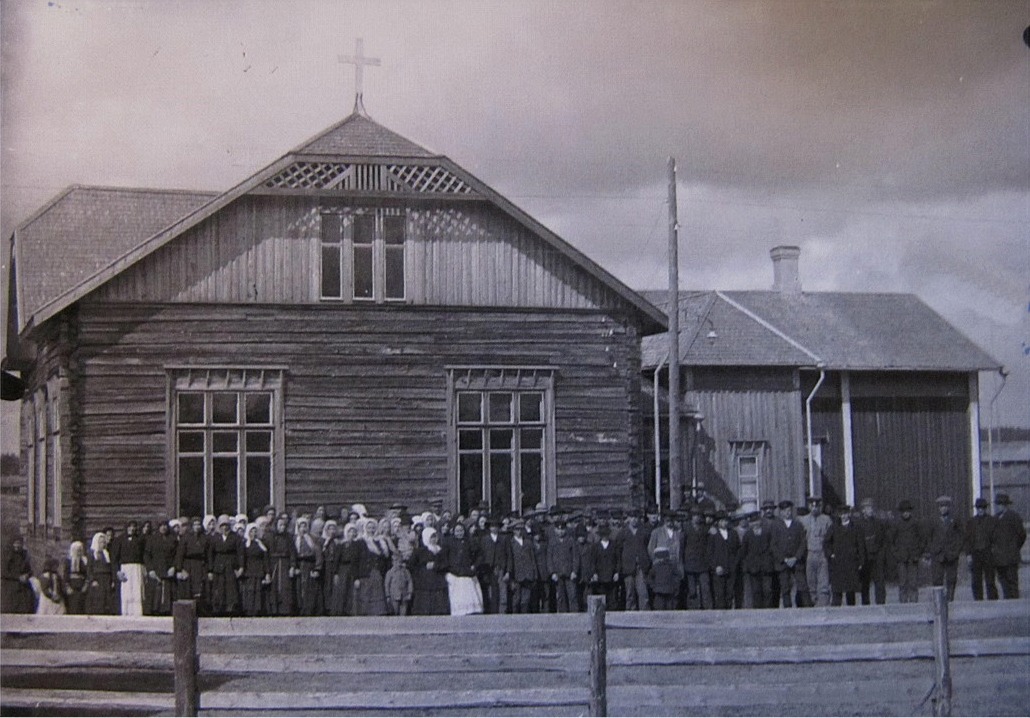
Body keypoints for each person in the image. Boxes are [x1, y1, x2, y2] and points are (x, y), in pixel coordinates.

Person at [769, 500, 810, 607]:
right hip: (783, 563)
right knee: (785, 588)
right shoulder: (776, 525)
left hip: (796, 562)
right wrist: (784, 559)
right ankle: (788, 610)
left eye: (789, 510)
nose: (788, 513)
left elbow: (803, 543)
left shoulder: (798, 525)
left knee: (802, 586)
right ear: (781, 512)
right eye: (785, 511)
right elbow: (773, 545)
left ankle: (806, 609)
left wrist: (796, 557)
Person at [824, 505, 865, 606]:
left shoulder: (855, 527)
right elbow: (826, 542)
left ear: (849, 514)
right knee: (837, 590)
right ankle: (835, 613)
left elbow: (861, 545)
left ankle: (851, 613)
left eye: (845, 514)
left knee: (850, 591)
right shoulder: (834, 527)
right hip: (838, 563)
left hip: (851, 562)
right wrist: (831, 554)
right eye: (841, 514)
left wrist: (861, 561)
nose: (843, 516)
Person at [440, 521, 483, 615]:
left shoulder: (470, 542)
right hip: (455, 575)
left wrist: (474, 566)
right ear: (453, 532)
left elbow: (479, 555)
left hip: (468, 573)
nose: (459, 533)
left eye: (461, 531)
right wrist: (450, 569)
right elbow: (444, 558)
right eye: (457, 531)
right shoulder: (448, 543)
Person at [925, 496, 963, 601]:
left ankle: (950, 600)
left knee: (951, 579)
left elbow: (960, 536)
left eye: (946, 506)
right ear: (938, 508)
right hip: (937, 554)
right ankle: (939, 602)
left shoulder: (954, 519)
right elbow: (929, 536)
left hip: (951, 554)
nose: (943, 509)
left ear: (949, 507)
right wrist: (931, 551)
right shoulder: (933, 520)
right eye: (941, 506)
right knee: (937, 579)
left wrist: (956, 550)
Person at [799, 497, 833, 607]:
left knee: (823, 582)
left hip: (822, 553)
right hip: (809, 553)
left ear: (820, 507)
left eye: (816, 506)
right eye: (812, 506)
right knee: (810, 582)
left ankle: (823, 606)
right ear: (809, 507)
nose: (814, 508)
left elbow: (831, 538)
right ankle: (811, 605)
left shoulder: (826, 519)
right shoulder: (803, 520)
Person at [855, 498, 888, 605]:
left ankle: (881, 604)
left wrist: (881, 554)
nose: (871, 510)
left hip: (877, 556)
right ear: (863, 510)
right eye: (868, 508)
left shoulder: (878, 523)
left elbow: (883, 540)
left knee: (880, 582)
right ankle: (866, 605)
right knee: (865, 583)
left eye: (871, 507)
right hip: (865, 557)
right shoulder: (858, 525)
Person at [993, 494, 1026, 599]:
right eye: (998, 504)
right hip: (999, 557)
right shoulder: (995, 518)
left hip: (1011, 555)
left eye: (1002, 504)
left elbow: (1022, 535)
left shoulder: (1014, 517)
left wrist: (1015, 546)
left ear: (1007, 505)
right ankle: (1007, 600)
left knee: (1012, 580)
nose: (1000, 506)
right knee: (1002, 580)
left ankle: (1015, 602)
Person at [890, 500, 924, 604]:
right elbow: (891, 541)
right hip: (901, 558)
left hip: (913, 558)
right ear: (901, 512)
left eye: (908, 511)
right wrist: (896, 554)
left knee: (913, 583)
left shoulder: (916, 523)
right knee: (902, 583)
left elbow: (922, 539)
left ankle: (914, 604)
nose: (906, 513)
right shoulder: (896, 524)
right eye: (903, 511)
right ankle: (903, 606)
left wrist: (918, 553)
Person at [208, 515, 244, 616]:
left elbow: (240, 553)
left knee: (231, 589)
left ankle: (231, 610)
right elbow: (210, 554)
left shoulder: (235, 537)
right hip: (218, 566)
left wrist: (241, 567)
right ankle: (218, 610)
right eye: (222, 525)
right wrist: (210, 570)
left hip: (231, 566)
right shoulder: (215, 538)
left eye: (226, 525)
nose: (224, 527)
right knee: (219, 589)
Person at [739, 512, 775, 609]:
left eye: (757, 521)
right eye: (752, 522)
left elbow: (772, 548)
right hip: (754, 568)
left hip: (766, 567)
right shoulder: (747, 535)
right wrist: (747, 565)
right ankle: (758, 612)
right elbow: (743, 552)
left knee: (768, 590)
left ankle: (768, 611)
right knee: (756, 591)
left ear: (760, 522)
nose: (755, 524)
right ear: (750, 524)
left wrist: (769, 561)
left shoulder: (767, 533)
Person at [617, 509, 651, 611]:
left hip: (641, 566)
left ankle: (645, 615)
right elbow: (618, 551)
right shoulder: (623, 532)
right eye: (632, 517)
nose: (634, 520)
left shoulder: (644, 532)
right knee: (629, 593)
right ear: (628, 519)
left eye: (636, 517)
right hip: (628, 567)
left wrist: (646, 563)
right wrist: (620, 567)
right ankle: (630, 615)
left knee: (643, 593)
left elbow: (648, 547)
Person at [965, 498, 999, 601]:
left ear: (986, 508)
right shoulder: (971, 522)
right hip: (975, 553)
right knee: (976, 580)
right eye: (979, 508)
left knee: (990, 579)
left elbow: (996, 537)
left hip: (988, 552)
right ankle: (978, 600)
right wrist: (968, 555)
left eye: (983, 508)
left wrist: (994, 550)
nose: (980, 510)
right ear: (976, 509)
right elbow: (968, 539)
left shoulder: (992, 521)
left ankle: (992, 600)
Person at [411, 527, 450, 615]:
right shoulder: (420, 551)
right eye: (432, 537)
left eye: (435, 537)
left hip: (438, 580)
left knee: (439, 607)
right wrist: (422, 570)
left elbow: (446, 564)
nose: (434, 539)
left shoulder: (441, 550)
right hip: (424, 582)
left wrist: (436, 565)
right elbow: (412, 565)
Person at [477, 517, 511, 614]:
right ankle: (492, 612)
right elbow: (482, 555)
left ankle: (502, 612)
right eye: (492, 526)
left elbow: (508, 556)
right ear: (489, 528)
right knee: (491, 592)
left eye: (496, 526)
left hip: (501, 568)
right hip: (489, 569)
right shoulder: (484, 540)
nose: (494, 528)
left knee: (502, 591)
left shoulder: (504, 539)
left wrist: (508, 571)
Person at [143, 520, 178, 616]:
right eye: (161, 525)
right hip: (155, 571)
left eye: (165, 525)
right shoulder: (152, 539)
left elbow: (177, 555)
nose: (164, 527)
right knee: (155, 598)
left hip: (168, 571)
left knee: (168, 597)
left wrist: (174, 567)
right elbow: (147, 555)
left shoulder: (172, 539)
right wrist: (150, 570)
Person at [707, 511, 740, 610]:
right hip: (718, 569)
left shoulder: (733, 533)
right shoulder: (713, 534)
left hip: (731, 568)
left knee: (729, 594)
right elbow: (709, 553)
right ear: (717, 522)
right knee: (719, 595)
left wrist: (734, 564)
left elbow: (738, 550)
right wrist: (715, 567)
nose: (724, 523)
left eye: (725, 520)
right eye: (721, 521)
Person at [547, 520, 581, 613]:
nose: (560, 531)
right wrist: (552, 572)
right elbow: (549, 558)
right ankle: (563, 617)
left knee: (572, 595)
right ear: (555, 530)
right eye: (558, 529)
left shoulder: (570, 540)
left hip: (569, 573)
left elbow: (575, 557)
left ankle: (574, 616)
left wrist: (575, 571)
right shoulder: (552, 542)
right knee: (561, 597)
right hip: (558, 573)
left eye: (562, 529)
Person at [681, 508, 712, 610]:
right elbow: (682, 545)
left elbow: (708, 546)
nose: (697, 517)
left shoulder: (705, 529)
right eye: (695, 515)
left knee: (705, 587)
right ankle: (693, 609)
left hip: (703, 563)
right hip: (690, 562)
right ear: (691, 516)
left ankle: (707, 609)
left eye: (699, 515)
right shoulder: (686, 528)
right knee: (692, 589)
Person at [294, 516, 324, 616]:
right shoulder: (294, 539)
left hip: (309, 566)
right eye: (301, 526)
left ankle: (309, 611)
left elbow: (318, 554)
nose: (303, 528)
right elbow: (292, 554)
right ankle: (299, 610)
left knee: (310, 590)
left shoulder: (313, 539)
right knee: (299, 590)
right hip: (299, 567)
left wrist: (317, 568)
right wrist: (294, 567)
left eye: (305, 526)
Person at [583, 524, 620, 608]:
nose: (604, 536)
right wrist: (594, 573)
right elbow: (592, 561)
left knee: (612, 599)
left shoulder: (614, 545)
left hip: (612, 576)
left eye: (606, 534)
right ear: (600, 535)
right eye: (603, 534)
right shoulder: (595, 546)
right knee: (601, 599)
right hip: (600, 577)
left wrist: (617, 572)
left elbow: (618, 560)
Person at [240, 523, 271, 617]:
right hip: (248, 571)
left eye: (255, 531)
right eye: (251, 531)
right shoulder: (244, 544)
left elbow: (265, 559)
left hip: (258, 571)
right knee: (249, 592)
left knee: (258, 592)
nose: (253, 533)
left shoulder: (261, 544)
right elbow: (241, 558)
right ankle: (248, 612)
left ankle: (257, 612)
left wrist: (267, 573)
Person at [86, 532, 118, 615]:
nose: (102, 544)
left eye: (104, 542)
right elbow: (89, 568)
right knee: (98, 599)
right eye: (100, 542)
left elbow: (111, 568)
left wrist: (113, 580)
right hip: (97, 578)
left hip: (107, 578)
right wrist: (92, 580)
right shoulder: (92, 554)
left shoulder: (107, 554)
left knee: (108, 599)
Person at [2, 536, 35, 614]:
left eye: (19, 543)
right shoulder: (6, 555)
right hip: (10, 586)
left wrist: (27, 575)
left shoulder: (24, 555)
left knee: (27, 606)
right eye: (15, 543)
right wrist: (18, 577)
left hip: (23, 587)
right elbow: (3, 572)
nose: (17, 545)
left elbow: (29, 570)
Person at [63, 540, 89, 615]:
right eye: (76, 550)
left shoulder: (84, 561)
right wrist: (67, 587)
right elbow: (65, 574)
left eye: (80, 550)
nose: (78, 552)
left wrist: (85, 585)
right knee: (72, 606)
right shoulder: (68, 561)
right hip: (71, 586)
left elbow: (87, 574)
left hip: (81, 587)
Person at [384, 552, 414, 616]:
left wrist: (410, 593)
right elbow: (387, 584)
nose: (398, 564)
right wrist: (388, 595)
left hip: (404, 595)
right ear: (393, 562)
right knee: (395, 612)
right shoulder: (390, 572)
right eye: (396, 561)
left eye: (400, 561)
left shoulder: (406, 571)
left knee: (403, 612)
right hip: (394, 595)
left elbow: (409, 581)